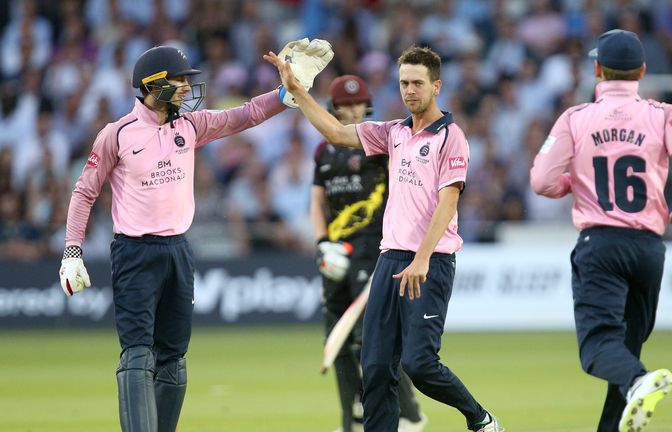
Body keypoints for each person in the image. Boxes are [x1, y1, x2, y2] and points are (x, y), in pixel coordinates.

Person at [58, 41, 332, 432]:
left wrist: (287, 92)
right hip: (134, 252)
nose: (187, 88)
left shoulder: (190, 125)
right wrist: (72, 251)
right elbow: (84, 191)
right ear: (153, 84)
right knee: (138, 355)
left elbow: (246, 115)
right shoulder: (116, 134)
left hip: (178, 251)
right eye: (180, 80)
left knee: (173, 359)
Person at [266, 45, 504, 432]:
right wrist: (297, 91)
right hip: (389, 260)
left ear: (436, 86)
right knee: (375, 367)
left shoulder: (451, 137)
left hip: (430, 262)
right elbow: (335, 132)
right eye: (404, 83)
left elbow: (448, 203)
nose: (410, 90)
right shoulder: (393, 132)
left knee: (419, 364)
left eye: (417, 83)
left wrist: (422, 259)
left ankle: (480, 419)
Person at [530, 29, 672, 432]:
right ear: (641, 71)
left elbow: (541, 181)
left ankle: (639, 379)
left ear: (597, 70)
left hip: (601, 245)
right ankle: (630, 392)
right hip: (648, 247)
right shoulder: (665, 114)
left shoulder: (576, 117)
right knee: (624, 350)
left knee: (598, 349)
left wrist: (576, 182)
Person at [311, 74, 427, 432]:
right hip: (335, 253)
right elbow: (317, 202)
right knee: (338, 340)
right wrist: (322, 243)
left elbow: (403, 192)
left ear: (368, 105)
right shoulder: (324, 151)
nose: (352, 110)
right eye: (344, 105)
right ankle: (350, 423)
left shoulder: (380, 145)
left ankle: (408, 414)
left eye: (357, 103)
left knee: (369, 337)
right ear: (333, 108)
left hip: (375, 250)